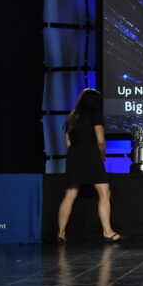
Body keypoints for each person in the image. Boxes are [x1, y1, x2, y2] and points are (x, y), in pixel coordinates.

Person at [56, 88, 121, 243]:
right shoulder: (94, 116)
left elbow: (68, 143)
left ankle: (61, 233)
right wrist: (102, 156)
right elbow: (100, 141)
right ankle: (107, 231)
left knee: (70, 195)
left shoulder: (71, 117)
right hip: (91, 156)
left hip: (74, 157)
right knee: (105, 193)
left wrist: (76, 155)